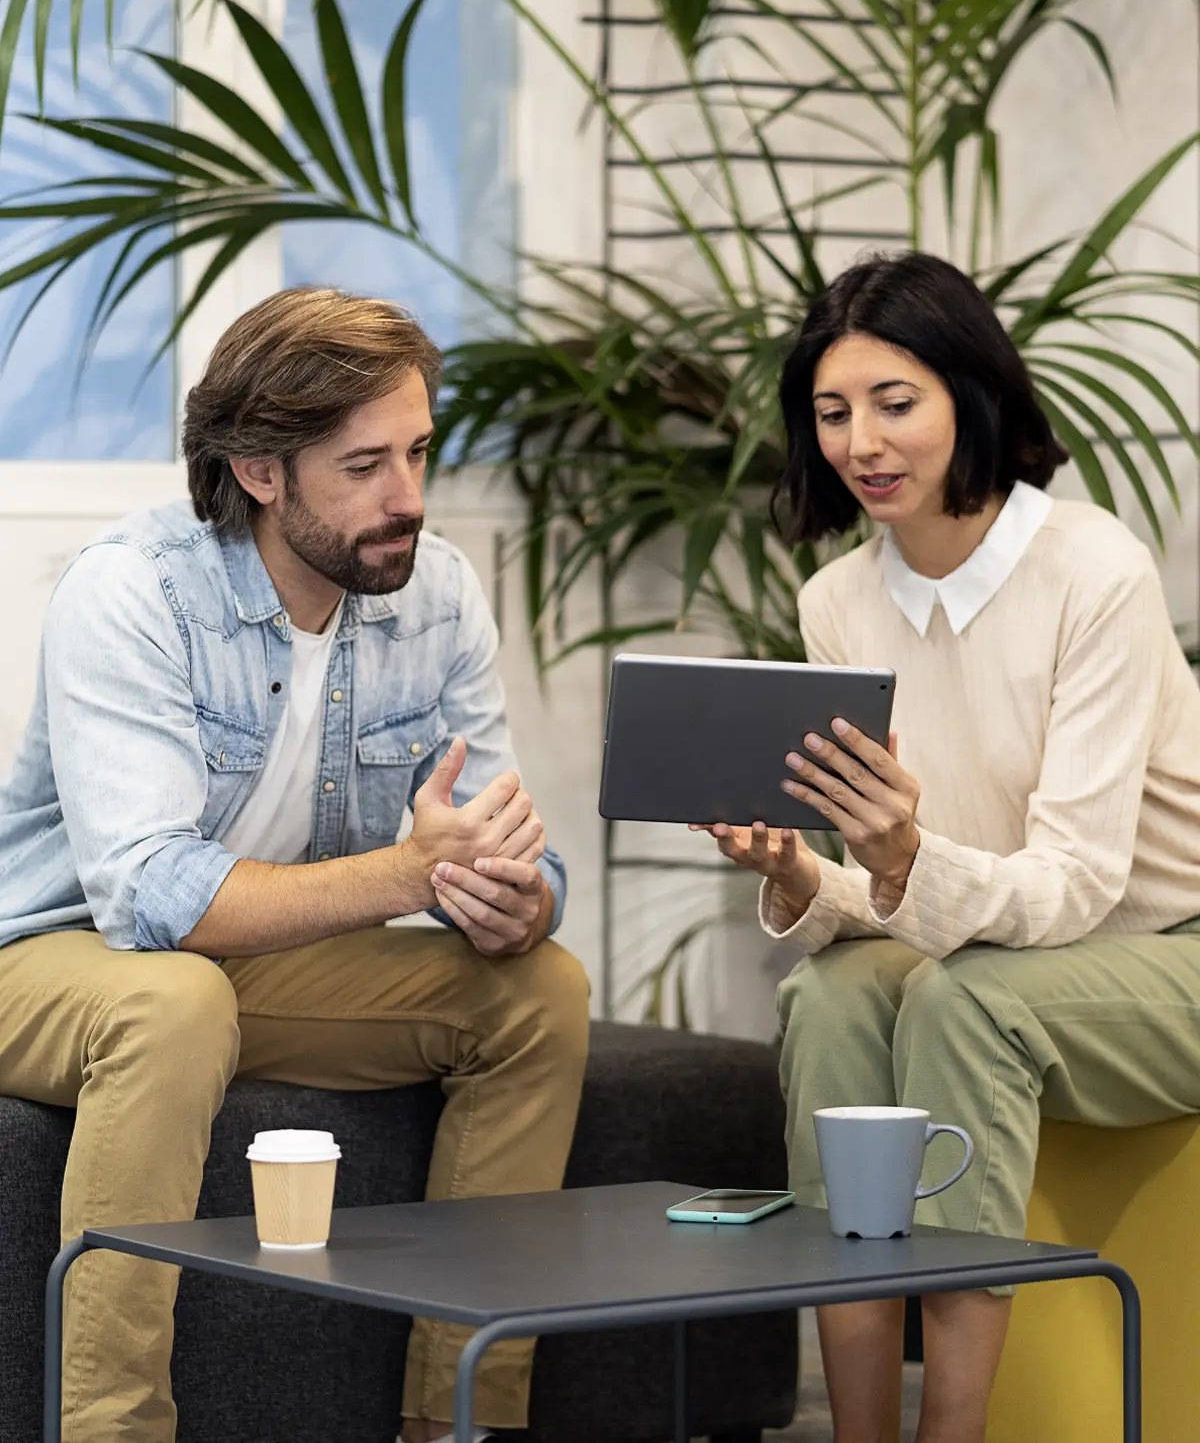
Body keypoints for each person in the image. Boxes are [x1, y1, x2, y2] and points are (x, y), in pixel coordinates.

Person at [0, 288, 590, 1443]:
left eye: (418, 452)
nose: (407, 497)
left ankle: (460, 1418)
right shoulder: (133, 589)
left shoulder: (436, 594)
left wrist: (513, 900)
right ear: (261, 471)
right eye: (364, 465)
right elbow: (150, 897)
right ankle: (112, 1431)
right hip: (51, 955)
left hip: (255, 965)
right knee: (171, 1002)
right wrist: (412, 875)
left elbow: (515, 847)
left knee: (539, 993)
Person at [694, 250, 1200, 1443]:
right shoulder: (839, 601)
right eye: (832, 412)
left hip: (1167, 954)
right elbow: (906, 895)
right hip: (997, 951)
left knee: (965, 1004)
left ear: (971, 396)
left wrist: (906, 854)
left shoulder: (1095, 572)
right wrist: (802, 874)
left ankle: (949, 1435)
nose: (861, 442)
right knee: (828, 998)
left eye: (894, 402)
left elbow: (1076, 884)